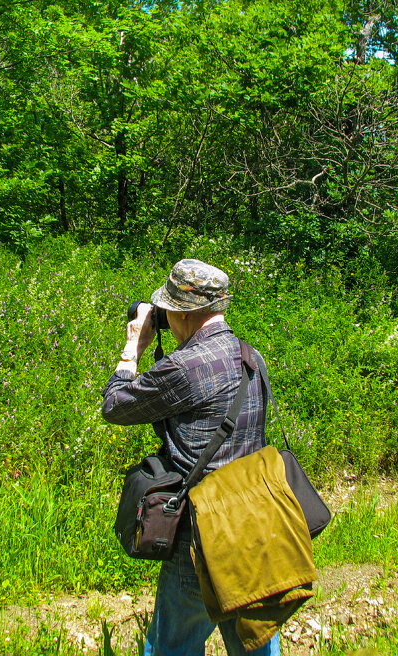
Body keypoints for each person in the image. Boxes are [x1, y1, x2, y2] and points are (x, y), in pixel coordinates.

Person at [101, 258, 279, 656]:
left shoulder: (185, 367)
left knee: (172, 648)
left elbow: (114, 406)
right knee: (255, 641)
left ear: (181, 312)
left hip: (200, 539)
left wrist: (134, 347)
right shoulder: (251, 355)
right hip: (252, 528)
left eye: (166, 309)